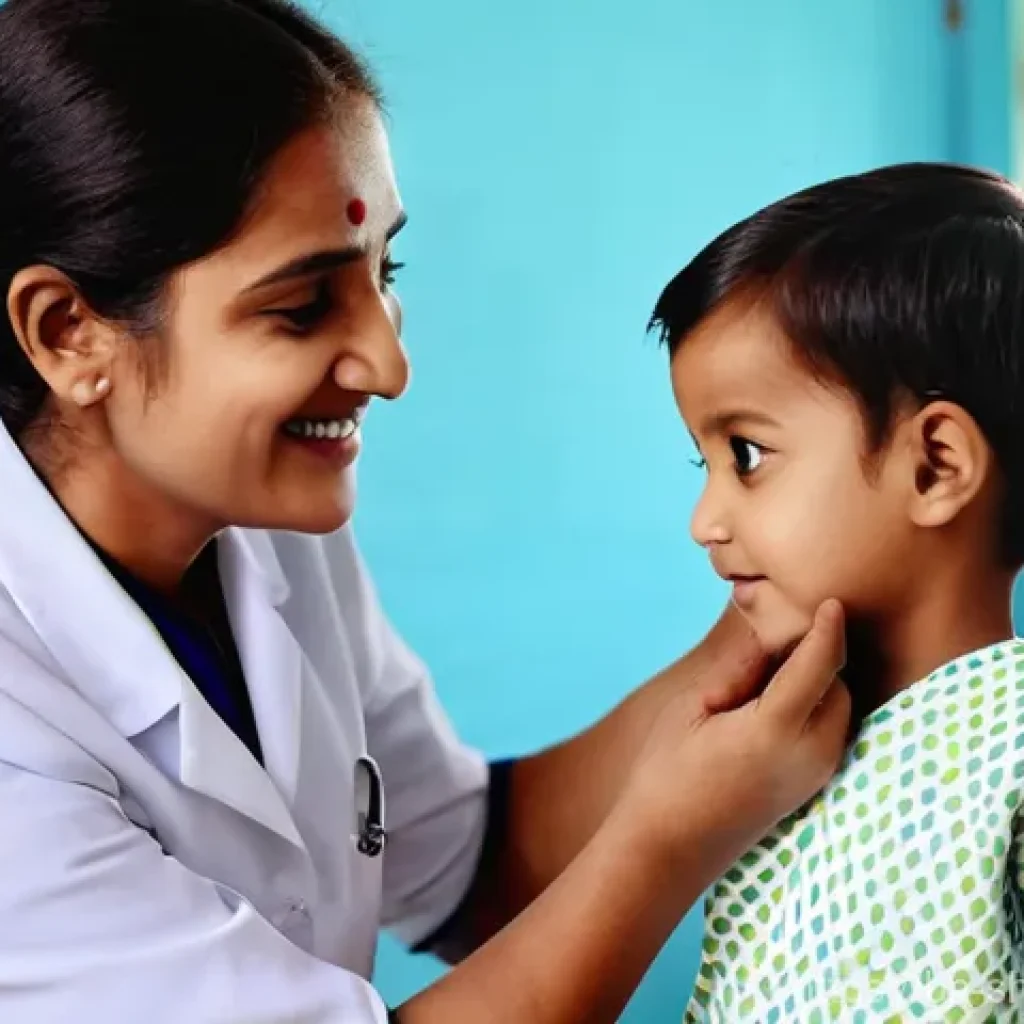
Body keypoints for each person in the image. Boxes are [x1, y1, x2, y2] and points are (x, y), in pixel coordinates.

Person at [0, 1, 852, 1021]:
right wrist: (671, 839)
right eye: (301, 308)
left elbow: (473, 865)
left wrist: (769, 613)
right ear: (67, 332)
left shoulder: (264, 520)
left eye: (385, 271)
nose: (390, 365)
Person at [650, 163, 1024, 1022]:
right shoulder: (769, 750)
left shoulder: (1012, 748)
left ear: (935, 467)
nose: (705, 521)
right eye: (704, 464)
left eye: (746, 456)